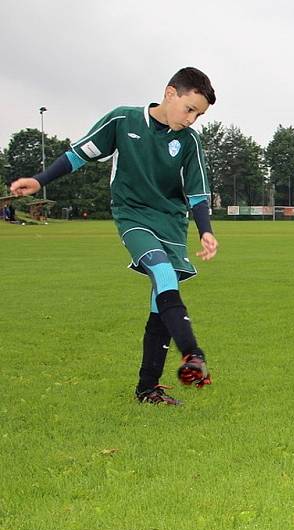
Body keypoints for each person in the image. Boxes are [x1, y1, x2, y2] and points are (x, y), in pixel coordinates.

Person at [10, 67, 218, 405]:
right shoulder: (123, 120)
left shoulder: (189, 141)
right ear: (170, 93)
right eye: (190, 109)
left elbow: (196, 195)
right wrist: (40, 180)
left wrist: (206, 231)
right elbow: (79, 154)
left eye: (199, 114)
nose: (192, 119)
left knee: (160, 299)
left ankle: (147, 389)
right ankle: (192, 353)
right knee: (163, 273)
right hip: (133, 216)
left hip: (171, 223)